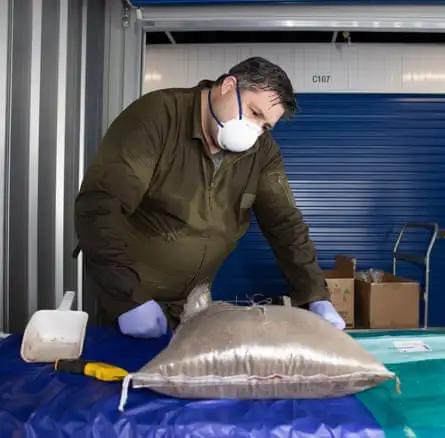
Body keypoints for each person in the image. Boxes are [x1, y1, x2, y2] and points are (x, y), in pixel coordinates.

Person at [74, 56, 345, 338]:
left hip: (191, 305)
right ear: (229, 86)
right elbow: (101, 205)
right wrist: (127, 299)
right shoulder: (158, 116)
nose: (255, 131)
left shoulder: (262, 153)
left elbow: (285, 224)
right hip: (127, 298)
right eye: (254, 113)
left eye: (265, 125)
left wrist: (316, 295)